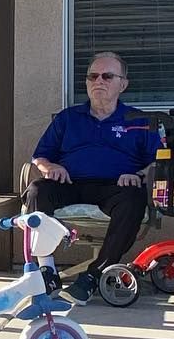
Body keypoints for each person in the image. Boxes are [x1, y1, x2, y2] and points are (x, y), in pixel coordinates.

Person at [26, 50, 158, 302]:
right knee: (37, 190)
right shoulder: (68, 118)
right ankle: (47, 270)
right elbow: (40, 156)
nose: (99, 81)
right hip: (70, 183)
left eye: (107, 76)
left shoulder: (140, 120)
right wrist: (49, 168)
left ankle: (94, 275)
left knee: (134, 197)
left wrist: (138, 174)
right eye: (92, 76)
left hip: (116, 186)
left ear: (123, 84)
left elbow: (158, 161)